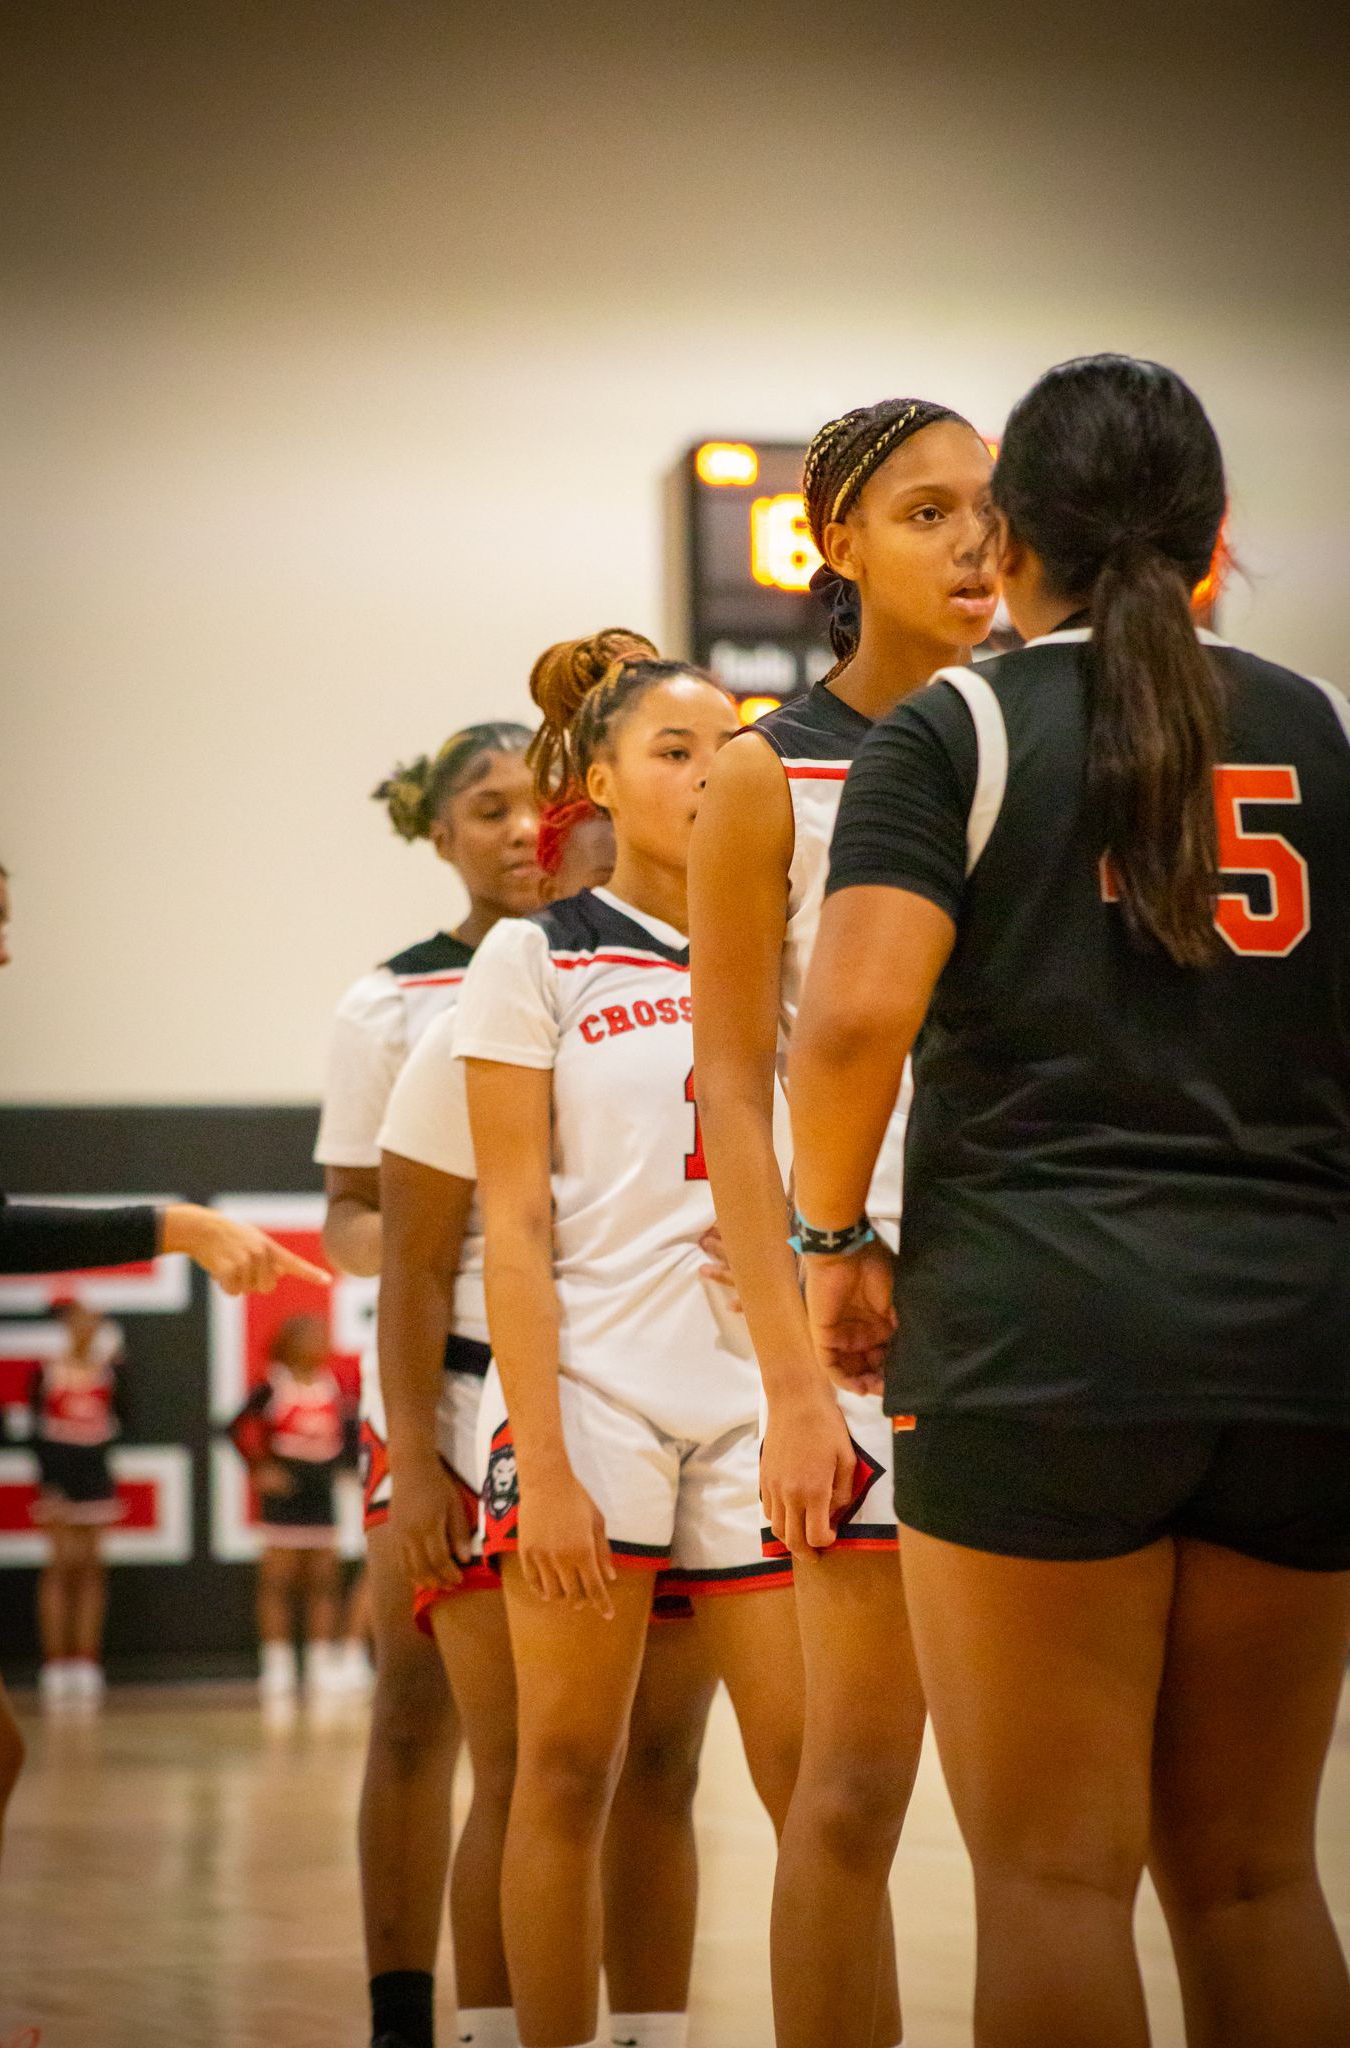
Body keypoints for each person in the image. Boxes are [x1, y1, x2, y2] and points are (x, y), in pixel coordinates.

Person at [787, 354, 1350, 2048]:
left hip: (1037, 1333)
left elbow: (852, 1022)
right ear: (1215, 537)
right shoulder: (1321, 725)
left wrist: (832, 1241)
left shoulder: (952, 729)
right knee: (1258, 1880)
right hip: (1301, 1338)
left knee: (1052, 1883)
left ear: (1011, 537)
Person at [688, 397, 997, 2047]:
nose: (972, 540)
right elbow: (733, 1097)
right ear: (837, 546)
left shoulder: (1042, 732)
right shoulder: (766, 771)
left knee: (1059, 1822)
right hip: (856, 1326)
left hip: (1036, 1304)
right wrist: (794, 1383)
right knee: (855, 1784)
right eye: (925, 510)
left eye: (988, 506)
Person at [454, 632, 806, 2048]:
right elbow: (512, 1227)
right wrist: (540, 1459)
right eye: (674, 749)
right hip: (590, 1393)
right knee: (563, 1770)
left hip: (758, 1399)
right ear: (597, 780)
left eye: (731, 746)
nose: (712, 772)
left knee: (805, 1780)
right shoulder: (538, 952)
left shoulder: (796, 940)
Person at [381, 693, 719, 2048]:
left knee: (666, 1764)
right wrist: (417, 1458)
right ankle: (472, 2026)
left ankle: (650, 2030)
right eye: (668, 749)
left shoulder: (759, 952)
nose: (536, 832)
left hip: (710, 1408)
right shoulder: (503, 984)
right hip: (514, 1397)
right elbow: (412, 1255)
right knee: (526, 1761)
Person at [0, 842, 328, 2047]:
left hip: (134, 1476)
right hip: (75, 1477)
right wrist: (172, 1221)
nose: (3, 948)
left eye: (5, 918)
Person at [313, 728, 546, 2048]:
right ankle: (403, 2012)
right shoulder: (390, 1001)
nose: (520, 828)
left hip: (586, 1376)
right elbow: (349, 1212)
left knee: (575, 1741)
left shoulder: (616, 964)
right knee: (418, 1709)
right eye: (488, 807)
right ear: (438, 832)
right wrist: (414, 1237)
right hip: (442, 1380)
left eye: (538, 802)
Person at [230, 1312, 358, 1702]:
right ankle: (278, 1666)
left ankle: (320, 1664)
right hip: (285, 1496)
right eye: (311, 1335)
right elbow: (234, 1428)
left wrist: (345, 1468)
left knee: (323, 1580)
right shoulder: (272, 1386)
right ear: (290, 1342)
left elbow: (347, 1437)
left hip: (321, 1492)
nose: (321, 1343)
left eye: (323, 1336)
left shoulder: (331, 1385)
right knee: (278, 1581)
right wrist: (260, 1467)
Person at [30, 1299, 126, 1706]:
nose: (87, 1329)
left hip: (96, 1474)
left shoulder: (111, 1372)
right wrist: (49, 1483)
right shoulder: (47, 1372)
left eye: (93, 1323)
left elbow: (126, 1419)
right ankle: (56, 1662)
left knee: (91, 1568)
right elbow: (36, 1432)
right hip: (59, 1476)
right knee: (61, 1566)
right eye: (79, 1322)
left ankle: (86, 1660)